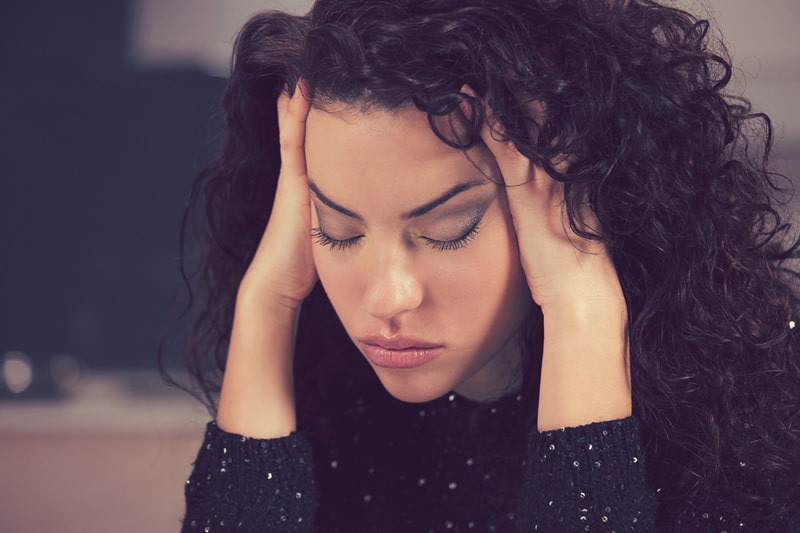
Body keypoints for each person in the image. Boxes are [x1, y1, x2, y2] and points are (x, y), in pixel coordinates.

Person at [174, 0, 800, 530]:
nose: (388, 298)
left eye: (447, 230)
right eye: (338, 230)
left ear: (583, 193)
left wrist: (581, 303)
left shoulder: (758, 418)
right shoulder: (328, 390)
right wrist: (269, 301)